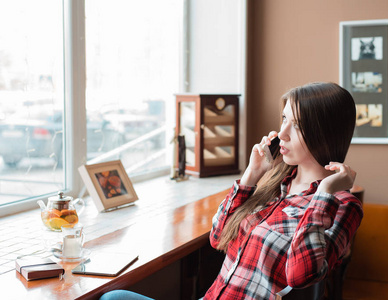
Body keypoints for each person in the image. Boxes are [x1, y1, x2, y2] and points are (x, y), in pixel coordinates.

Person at [100, 82, 364, 300]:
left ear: (324, 133)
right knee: (113, 298)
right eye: (284, 119)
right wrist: (251, 176)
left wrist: (324, 194)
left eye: (297, 124)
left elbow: (303, 274)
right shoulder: (275, 183)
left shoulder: (342, 206)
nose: (282, 133)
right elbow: (218, 237)